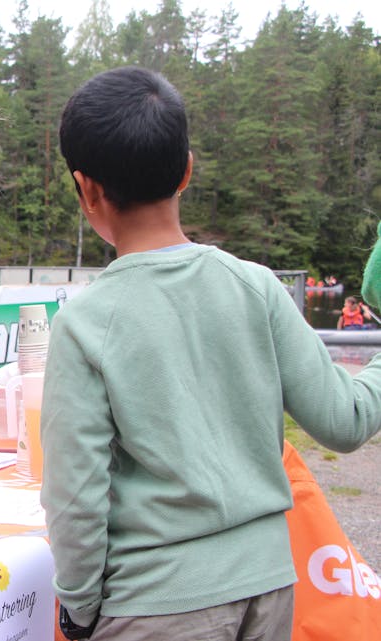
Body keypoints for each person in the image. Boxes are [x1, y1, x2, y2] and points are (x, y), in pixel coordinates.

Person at [42, 65, 381, 641]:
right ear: (187, 170)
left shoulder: (85, 322)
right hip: (269, 590)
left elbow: (75, 496)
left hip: (155, 602)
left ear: (87, 189)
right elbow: (345, 420)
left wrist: (78, 606)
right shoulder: (257, 286)